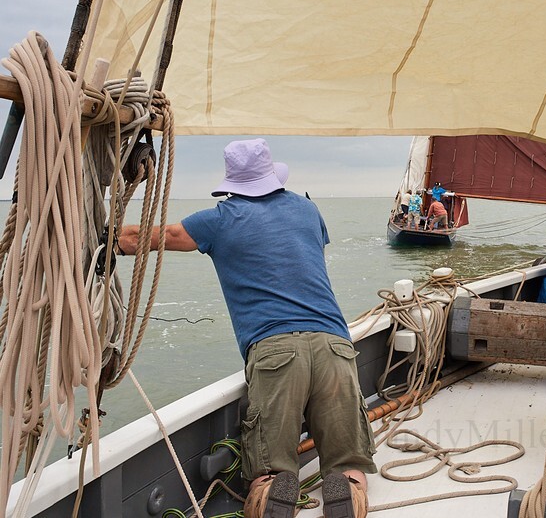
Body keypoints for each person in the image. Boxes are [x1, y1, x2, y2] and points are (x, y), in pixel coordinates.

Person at [118, 139, 375, 518]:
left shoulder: (219, 220)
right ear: (273, 176)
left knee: (269, 473)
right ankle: (347, 492)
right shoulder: (307, 209)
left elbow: (145, 238)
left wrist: (97, 234)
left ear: (231, 184)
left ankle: (271, 493)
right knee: (348, 466)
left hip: (275, 352)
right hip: (333, 344)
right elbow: (309, 260)